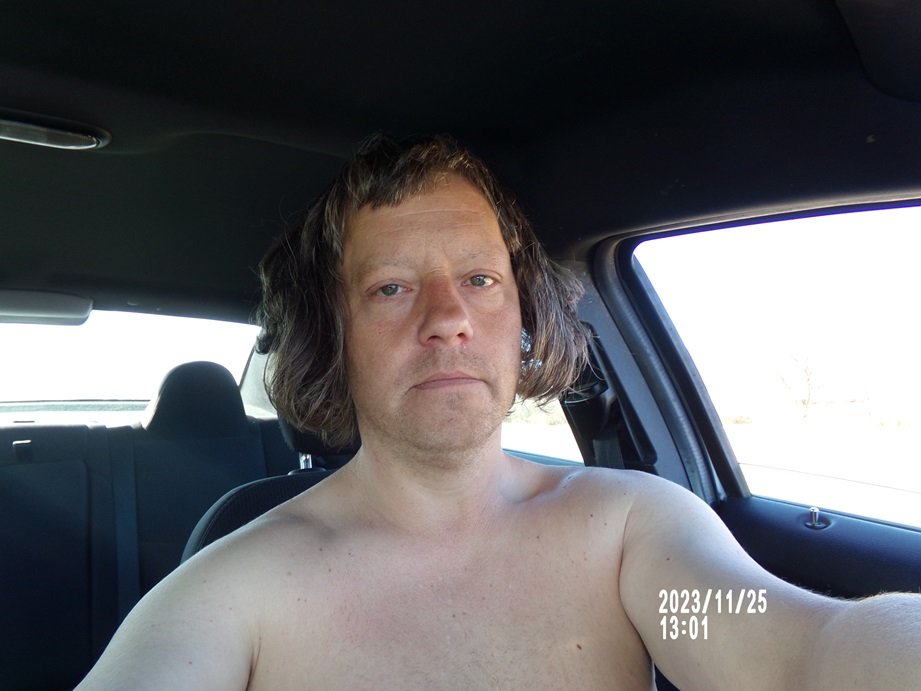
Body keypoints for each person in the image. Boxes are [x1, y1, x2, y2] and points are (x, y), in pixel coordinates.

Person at [78, 134, 920, 690]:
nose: (447, 316)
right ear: (333, 335)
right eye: (392, 287)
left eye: (479, 279)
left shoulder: (625, 538)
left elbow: (790, 652)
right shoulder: (232, 590)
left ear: (522, 316)